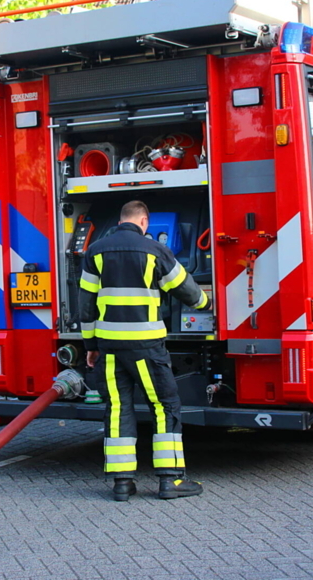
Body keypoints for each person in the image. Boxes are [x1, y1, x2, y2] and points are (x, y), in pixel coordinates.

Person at [79, 200, 212, 501]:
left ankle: (122, 483)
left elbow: (85, 304)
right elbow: (185, 288)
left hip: (109, 346)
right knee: (164, 407)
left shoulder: (95, 251)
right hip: (146, 346)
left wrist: (90, 345)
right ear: (144, 222)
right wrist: (207, 304)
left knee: (117, 409)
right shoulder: (155, 251)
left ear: (121, 220)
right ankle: (170, 481)